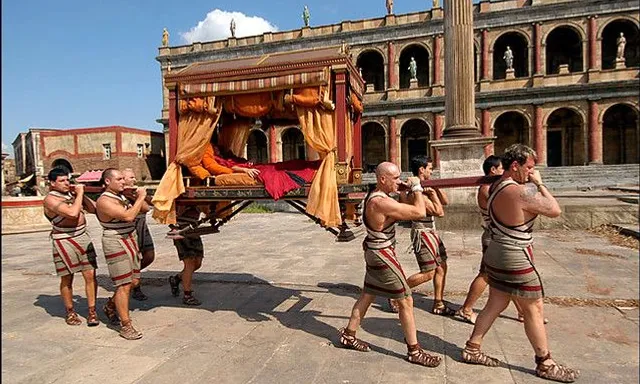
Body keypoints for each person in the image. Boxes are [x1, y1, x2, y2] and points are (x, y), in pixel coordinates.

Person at [461, 144, 579, 383]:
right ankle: (545, 363)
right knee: (533, 307)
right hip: (513, 254)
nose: (531, 172)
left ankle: (472, 348)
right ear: (515, 166)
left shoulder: (494, 187)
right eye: (529, 168)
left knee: (496, 302)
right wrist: (540, 183)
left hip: (497, 250)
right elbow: (555, 210)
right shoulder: (517, 191)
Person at [338, 162, 441, 368]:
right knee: (405, 300)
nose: (398, 181)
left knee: (367, 295)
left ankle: (349, 335)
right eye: (394, 179)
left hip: (376, 251)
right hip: (381, 254)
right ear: (382, 179)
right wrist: (417, 187)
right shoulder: (379, 201)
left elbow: (404, 207)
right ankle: (414, 351)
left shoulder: (380, 195)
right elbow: (420, 212)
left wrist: (403, 189)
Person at [390, 156, 453, 316]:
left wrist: (436, 188)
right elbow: (440, 212)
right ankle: (396, 294)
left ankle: (439, 303)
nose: (431, 171)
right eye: (430, 168)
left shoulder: (425, 187)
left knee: (441, 266)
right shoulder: (416, 191)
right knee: (428, 272)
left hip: (431, 231)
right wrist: (431, 195)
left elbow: (445, 201)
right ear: (421, 169)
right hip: (423, 232)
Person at [96, 168, 149, 340]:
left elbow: (146, 208)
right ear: (107, 182)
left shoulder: (122, 196)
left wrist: (136, 196)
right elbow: (127, 216)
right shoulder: (104, 200)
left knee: (134, 281)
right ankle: (126, 325)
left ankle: (111, 306)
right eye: (118, 179)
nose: (123, 182)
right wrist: (140, 197)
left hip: (129, 239)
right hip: (115, 241)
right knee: (123, 284)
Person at [43, 167, 99, 327]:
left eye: (67, 180)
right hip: (64, 240)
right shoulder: (50, 199)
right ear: (52, 183)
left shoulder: (71, 194)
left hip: (82, 236)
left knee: (90, 274)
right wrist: (79, 194)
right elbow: (73, 213)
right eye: (62, 181)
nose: (66, 183)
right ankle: (70, 311)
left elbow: (93, 209)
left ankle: (92, 311)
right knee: (67, 277)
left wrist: (81, 193)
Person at [122, 168, 155, 301]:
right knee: (133, 259)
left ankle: (131, 278)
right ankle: (134, 286)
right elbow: (145, 208)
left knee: (149, 255)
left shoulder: (135, 193)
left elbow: (150, 204)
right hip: (130, 230)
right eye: (130, 177)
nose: (134, 180)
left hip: (142, 227)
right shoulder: (121, 196)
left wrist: (139, 196)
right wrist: (138, 197)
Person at [168, 205, 207, 306]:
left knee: (197, 263)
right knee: (189, 262)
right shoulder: (182, 196)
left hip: (193, 229)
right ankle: (187, 295)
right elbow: (176, 213)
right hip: (181, 229)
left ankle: (176, 279)